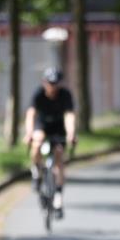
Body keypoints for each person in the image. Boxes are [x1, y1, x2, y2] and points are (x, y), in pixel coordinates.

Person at [24, 67, 77, 214]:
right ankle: (36, 171)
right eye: (49, 83)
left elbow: (69, 116)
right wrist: (29, 133)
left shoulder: (65, 95)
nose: (52, 87)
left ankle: (58, 197)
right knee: (37, 142)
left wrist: (71, 133)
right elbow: (31, 114)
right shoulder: (38, 94)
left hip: (59, 127)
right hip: (42, 125)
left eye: (55, 83)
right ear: (44, 82)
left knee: (59, 156)